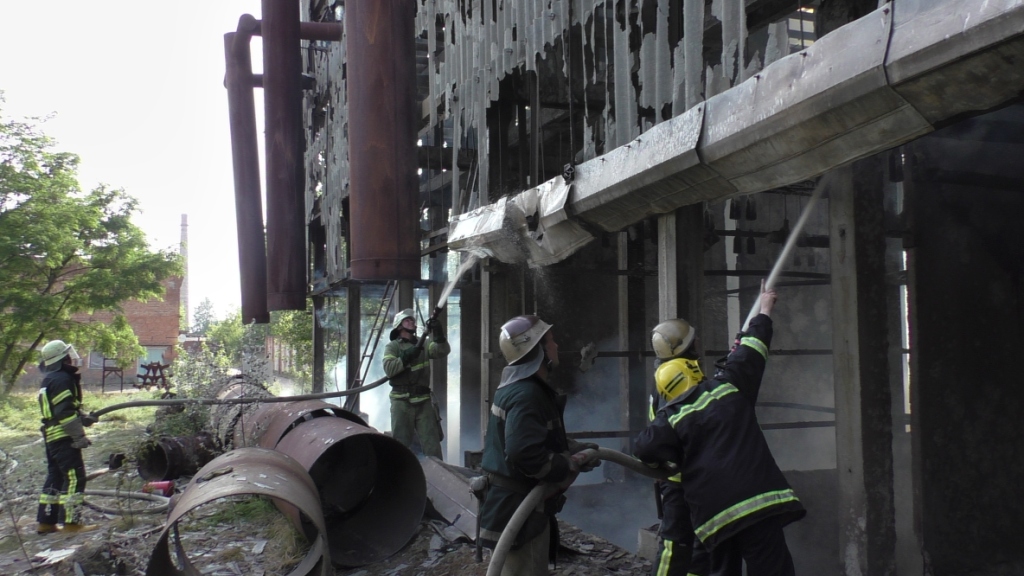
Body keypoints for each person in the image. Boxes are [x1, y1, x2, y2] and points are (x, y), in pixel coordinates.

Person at [634, 282, 805, 576]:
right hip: (758, 504)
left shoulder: (669, 413)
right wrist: (765, 308)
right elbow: (752, 350)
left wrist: (660, 466)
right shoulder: (729, 387)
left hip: (712, 514)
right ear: (692, 364)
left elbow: (644, 447)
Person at [478, 315, 599, 575]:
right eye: (550, 341)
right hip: (519, 510)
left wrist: (572, 449)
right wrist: (566, 465)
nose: (556, 346)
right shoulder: (527, 394)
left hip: (514, 508)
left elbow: (533, 438)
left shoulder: (522, 388)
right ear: (537, 351)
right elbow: (524, 452)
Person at [646, 318, 710, 576]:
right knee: (675, 547)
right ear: (684, 347)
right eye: (693, 340)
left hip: (688, 477)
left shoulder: (672, 376)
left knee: (701, 547)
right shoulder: (677, 381)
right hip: (680, 480)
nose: (698, 342)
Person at [36, 339, 97, 534]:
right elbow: (63, 412)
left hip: (52, 435)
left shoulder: (51, 379)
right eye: (68, 355)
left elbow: (62, 409)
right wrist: (78, 436)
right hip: (63, 436)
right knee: (74, 477)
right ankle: (71, 523)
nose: (71, 358)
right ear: (63, 359)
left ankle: (46, 522)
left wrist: (83, 418)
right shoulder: (63, 379)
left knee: (55, 476)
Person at [382, 308, 450, 459]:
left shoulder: (424, 343)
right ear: (399, 326)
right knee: (401, 445)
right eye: (408, 320)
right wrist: (407, 356)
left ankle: (436, 472)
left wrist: (439, 334)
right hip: (401, 402)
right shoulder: (393, 347)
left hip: (423, 401)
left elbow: (442, 351)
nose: (412, 322)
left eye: (413, 320)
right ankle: (401, 472)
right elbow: (389, 369)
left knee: (432, 444)